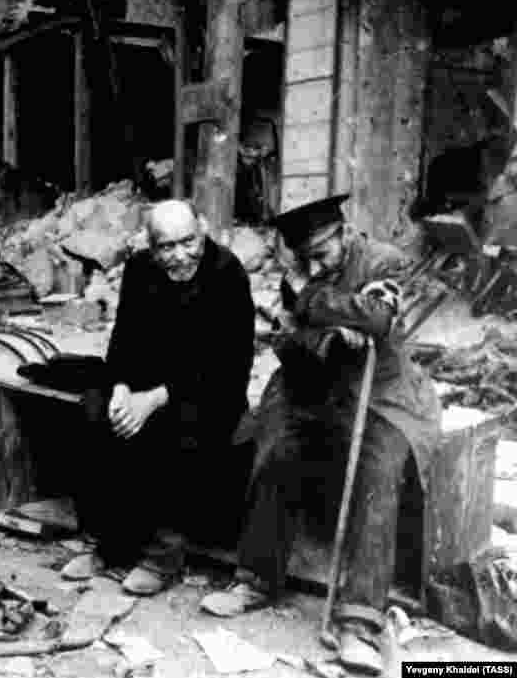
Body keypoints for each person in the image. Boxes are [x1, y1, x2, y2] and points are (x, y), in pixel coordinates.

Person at [201, 194, 441, 675]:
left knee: (379, 469)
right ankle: (257, 577)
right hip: (312, 382)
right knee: (276, 447)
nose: (314, 265)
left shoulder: (383, 261)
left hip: (382, 394)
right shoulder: (297, 268)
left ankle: (359, 622)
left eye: (323, 255)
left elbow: (377, 319)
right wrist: (327, 332)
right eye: (305, 258)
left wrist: (315, 300)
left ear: (343, 234)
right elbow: (287, 335)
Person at [61, 199, 256, 596]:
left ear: (202, 232)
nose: (180, 255)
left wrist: (154, 399)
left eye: (188, 242)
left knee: (177, 428)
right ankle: (112, 546)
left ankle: (163, 556)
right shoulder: (140, 269)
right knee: (97, 414)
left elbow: (227, 363)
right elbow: (126, 338)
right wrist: (120, 387)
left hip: (210, 390)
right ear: (151, 247)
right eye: (167, 247)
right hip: (145, 384)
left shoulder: (227, 273)